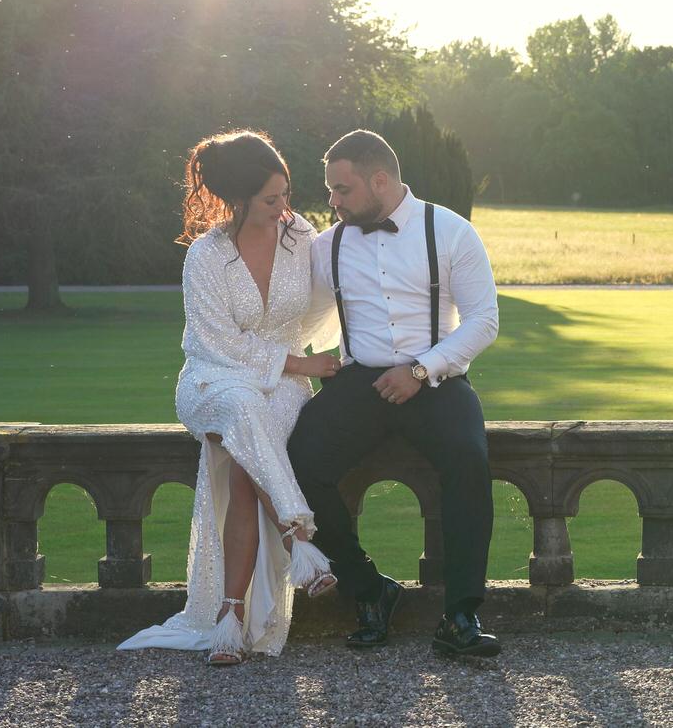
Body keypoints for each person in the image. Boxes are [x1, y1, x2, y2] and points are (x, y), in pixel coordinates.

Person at [120, 130, 342, 665]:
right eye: (272, 199)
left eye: (286, 194)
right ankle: (300, 540)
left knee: (245, 469)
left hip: (286, 385)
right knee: (244, 410)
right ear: (239, 199)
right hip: (212, 381)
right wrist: (300, 362)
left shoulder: (301, 237)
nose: (284, 208)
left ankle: (230, 619)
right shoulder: (205, 256)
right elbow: (218, 342)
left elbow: (330, 297)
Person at [288, 129, 502, 657]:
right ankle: (370, 590)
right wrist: (292, 360)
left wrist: (422, 370)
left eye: (342, 190)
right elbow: (301, 318)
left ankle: (460, 616)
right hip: (360, 381)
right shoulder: (327, 245)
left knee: (469, 462)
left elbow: (484, 321)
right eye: (331, 191)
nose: (332, 202)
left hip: (437, 378)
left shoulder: (449, 231)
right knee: (296, 462)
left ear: (379, 180)